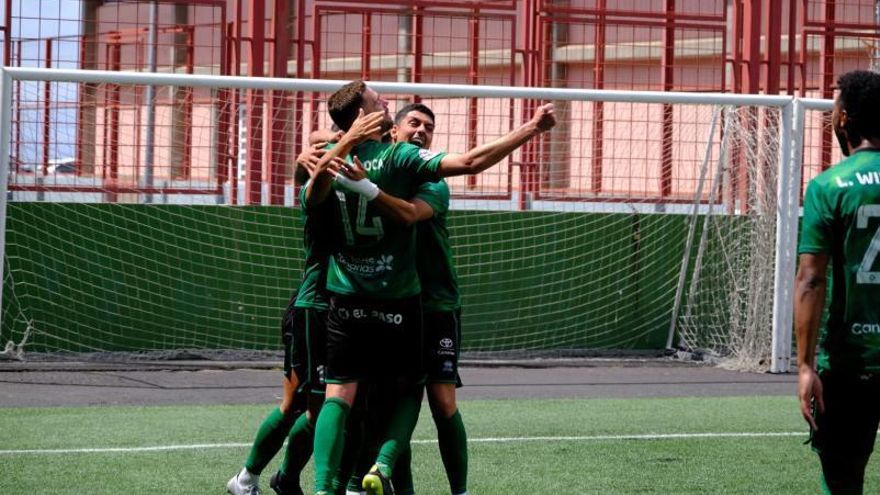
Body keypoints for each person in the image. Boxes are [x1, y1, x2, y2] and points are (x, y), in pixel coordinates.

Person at [306, 79, 555, 495]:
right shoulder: (399, 159)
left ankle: (366, 481)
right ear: (388, 126)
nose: (420, 131)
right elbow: (469, 164)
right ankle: (336, 483)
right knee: (386, 396)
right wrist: (531, 128)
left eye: (428, 127)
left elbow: (316, 184)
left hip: (403, 301)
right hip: (393, 299)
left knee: (406, 398)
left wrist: (338, 146)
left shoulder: (334, 164)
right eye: (410, 121)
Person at [227, 144, 336, 495]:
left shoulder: (366, 177)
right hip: (316, 307)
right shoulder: (321, 194)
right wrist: (306, 154)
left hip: (344, 307)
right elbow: (328, 134)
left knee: (322, 406)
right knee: (306, 406)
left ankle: (284, 478)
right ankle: (249, 478)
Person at [796, 69, 880, 495]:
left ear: (844, 119)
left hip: (849, 366)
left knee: (843, 482)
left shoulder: (829, 186)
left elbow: (811, 279)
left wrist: (806, 365)